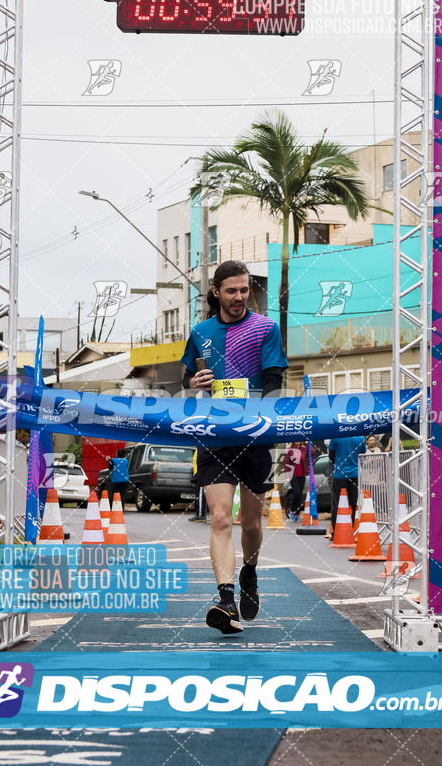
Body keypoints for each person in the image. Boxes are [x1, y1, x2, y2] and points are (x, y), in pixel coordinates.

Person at [181, 260, 288, 635]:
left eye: (245, 290)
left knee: (252, 522)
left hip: (256, 434)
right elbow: (187, 379)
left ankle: (249, 572)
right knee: (221, 518)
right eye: (232, 290)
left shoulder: (265, 328)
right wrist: (195, 380)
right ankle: (225, 600)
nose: (240, 297)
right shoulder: (200, 331)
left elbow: (274, 380)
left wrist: (264, 413)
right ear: (216, 292)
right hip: (214, 434)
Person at [327, 434, 366, 533]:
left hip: (339, 474)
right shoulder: (360, 438)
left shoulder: (335, 437)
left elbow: (331, 457)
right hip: (355, 473)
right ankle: (354, 529)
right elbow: (362, 455)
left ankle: (336, 530)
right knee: (355, 503)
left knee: (337, 503)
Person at [283, 442, 306, 522]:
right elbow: (286, 463)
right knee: (296, 493)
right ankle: (292, 511)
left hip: (302, 475)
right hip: (293, 475)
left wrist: (308, 443)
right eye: (296, 440)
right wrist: (287, 476)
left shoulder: (304, 449)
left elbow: (312, 452)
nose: (298, 441)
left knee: (300, 495)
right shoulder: (290, 450)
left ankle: (297, 514)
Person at [188, 449, 206, 522]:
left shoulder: (201, 449)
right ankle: (199, 514)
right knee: (199, 495)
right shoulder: (197, 450)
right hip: (198, 475)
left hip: (201, 475)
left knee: (201, 496)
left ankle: (200, 515)